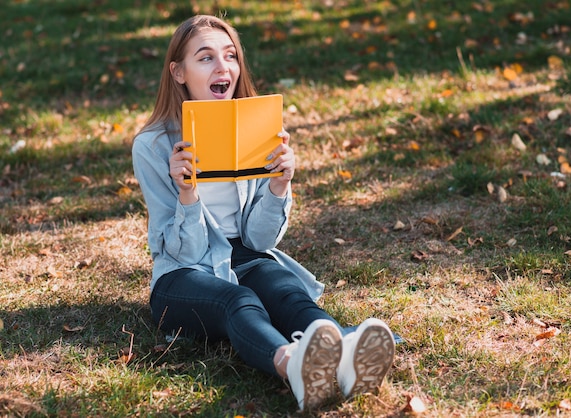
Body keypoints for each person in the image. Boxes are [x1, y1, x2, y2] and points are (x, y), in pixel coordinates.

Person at [131, 14, 395, 411]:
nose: (223, 68)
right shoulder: (152, 146)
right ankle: (295, 369)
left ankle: (341, 352)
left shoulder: (255, 130)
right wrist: (187, 194)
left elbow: (259, 241)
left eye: (230, 56)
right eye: (206, 58)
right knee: (239, 301)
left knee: (287, 292)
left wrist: (278, 186)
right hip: (181, 274)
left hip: (246, 254)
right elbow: (183, 253)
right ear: (179, 72)